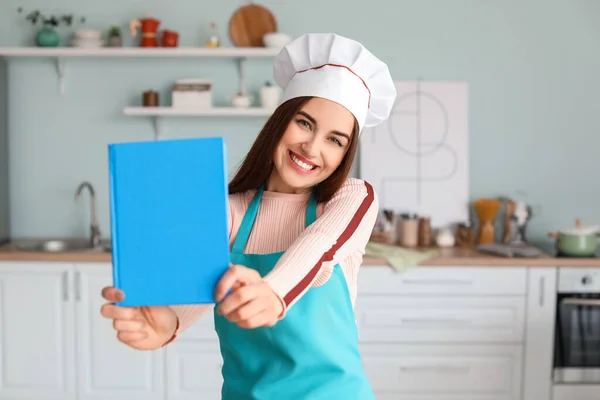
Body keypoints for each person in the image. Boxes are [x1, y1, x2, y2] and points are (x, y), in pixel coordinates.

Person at [100, 32, 397, 399]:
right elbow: (196, 288)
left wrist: (272, 294)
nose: (312, 146)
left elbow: (318, 248)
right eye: (304, 123)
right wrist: (164, 324)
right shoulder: (229, 212)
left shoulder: (351, 199)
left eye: (335, 140)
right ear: (279, 121)